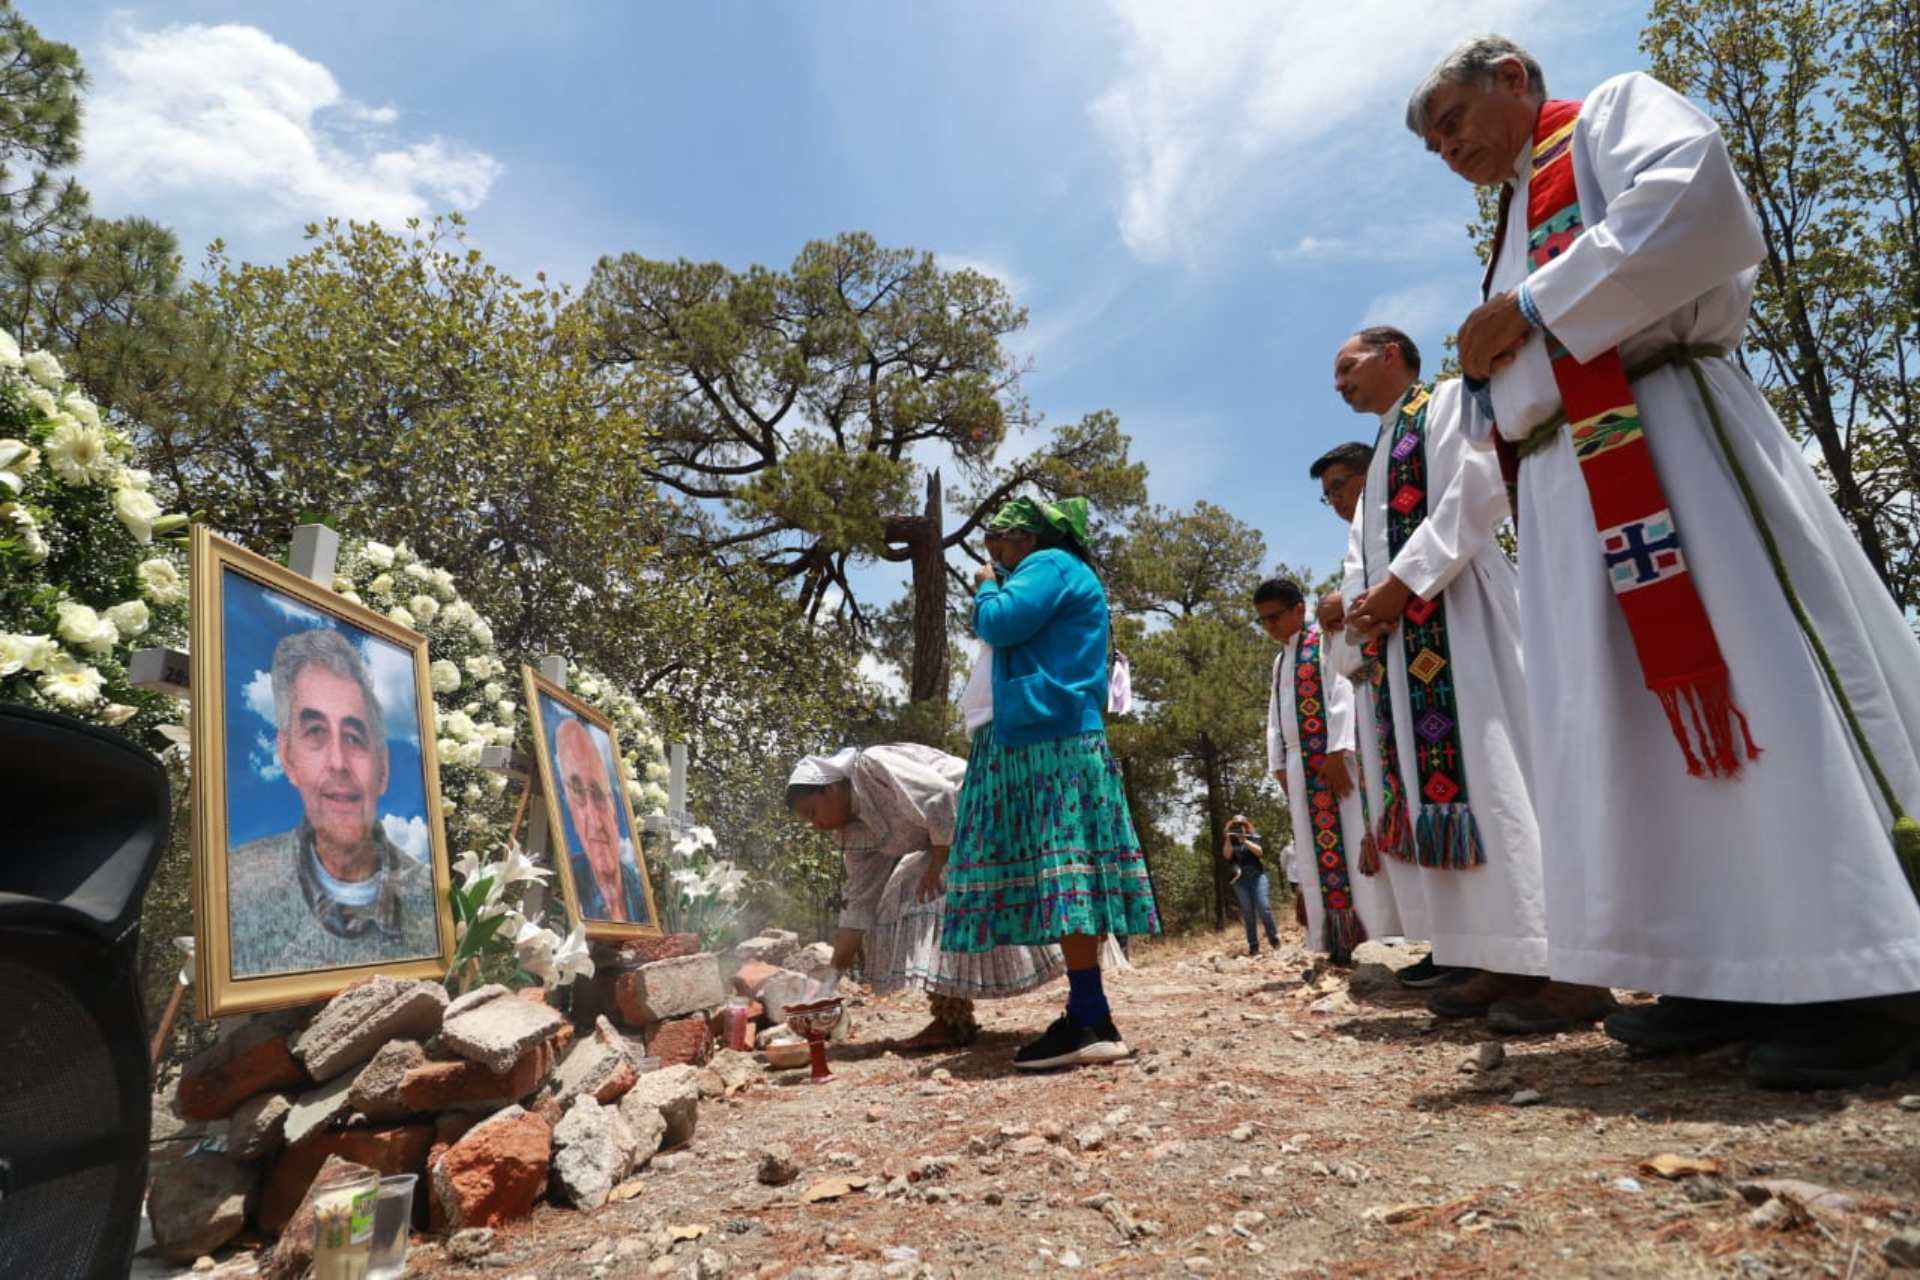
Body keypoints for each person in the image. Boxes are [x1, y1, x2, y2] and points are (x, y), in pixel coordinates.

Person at [1408, 35, 1920, 1085]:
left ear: (1512, 78)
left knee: (1753, 678)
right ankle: (1723, 960)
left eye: (1452, 120)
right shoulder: (1512, 220)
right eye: (1433, 142)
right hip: (1571, 484)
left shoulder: (1609, 117)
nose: (1445, 147)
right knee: (1637, 731)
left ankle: (1865, 973)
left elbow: (1695, 199)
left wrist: (1534, 307)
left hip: (1665, 438)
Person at [1331, 324, 1612, 1033]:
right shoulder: (1378, 465)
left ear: (1391, 354)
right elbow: (1356, 567)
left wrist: (1403, 582)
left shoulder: (1451, 403)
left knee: (1496, 771)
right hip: (1407, 636)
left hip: (1462, 613)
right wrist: (1369, 613)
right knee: (1455, 797)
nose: (1340, 384)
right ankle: (1502, 952)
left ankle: (1567, 962)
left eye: (1348, 366)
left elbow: (1479, 485)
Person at [941, 495, 1160, 1070]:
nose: (995, 555)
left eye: (1002, 543)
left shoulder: (1052, 565)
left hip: (1049, 740)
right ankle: (1087, 1009)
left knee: (1065, 870)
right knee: (1059, 872)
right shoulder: (1057, 569)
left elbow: (999, 621)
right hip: (1037, 732)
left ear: (1029, 537)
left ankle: (1091, 1016)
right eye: (991, 549)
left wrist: (986, 585)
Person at [787, 741, 1066, 1049]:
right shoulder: (854, 835)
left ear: (830, 789)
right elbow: (859, 902)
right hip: (952, 841)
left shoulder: (871, 768)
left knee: (927, 896)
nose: (817, 825)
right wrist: (833, 974)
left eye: (813, 812)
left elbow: (939, 794)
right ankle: (953, 1019)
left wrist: (939, 858)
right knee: (901, 898)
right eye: (809, 821)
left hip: (986, 813)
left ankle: (956, 1020)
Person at [228, 628, 438, 977]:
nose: (338, 762)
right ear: (288, 756)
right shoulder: (233, 885)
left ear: (383, 769)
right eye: (316, 733)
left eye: (355, 737)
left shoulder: (434, 901)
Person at [1257, 576, 1398, 966]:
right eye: (1262, 621)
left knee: (1350, 839)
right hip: (1301, 762)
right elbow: (1275, 717)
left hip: (1332, 758)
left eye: (1274, 617)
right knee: (1309, 847)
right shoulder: (1282, 658)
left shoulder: (1323, 639)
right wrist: (1278, 764)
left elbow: (1342, 689)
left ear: (1299, 610)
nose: (1269, 627)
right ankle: (1328, 936)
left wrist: (1337, 749)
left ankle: (1369, 932)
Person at [553, 716, 649, 923]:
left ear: (614, 809)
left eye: (598, 795)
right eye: (578, 793)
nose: (595, 823)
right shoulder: (564, 888)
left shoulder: (640, 893)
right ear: (569, 806)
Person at [1221, 814, 1280, 955]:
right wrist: (1229, 836)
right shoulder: (1230, 840)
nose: (1238, 826)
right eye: (1235, 824)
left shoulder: (1254, 837)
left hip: (1258, 878)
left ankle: (1274, 938)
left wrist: (1244, 840)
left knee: (1264, 907)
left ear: (1246, 825)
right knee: (1248, 913)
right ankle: (1253, 944)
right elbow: (1227, 856)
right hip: (1240, 881)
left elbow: (1260, 852)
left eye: (1241, 824)